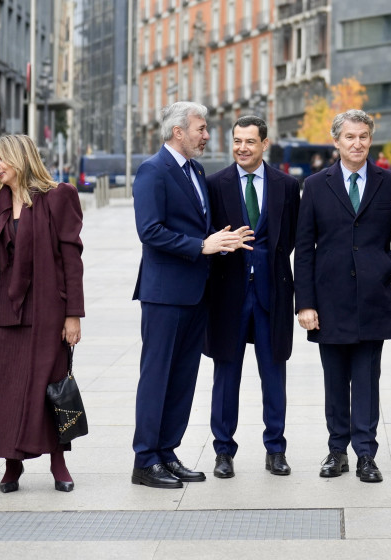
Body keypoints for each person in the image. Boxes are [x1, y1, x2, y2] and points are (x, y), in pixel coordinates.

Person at [131, 101, 253, 490]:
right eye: (200, 128)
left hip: (196, 293)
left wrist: (224, 241)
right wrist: (202, 245)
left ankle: (167, 452)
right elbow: (150, 231)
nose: (206, 135)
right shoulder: (153, 171)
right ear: (177, 131)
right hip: (164, 295)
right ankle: (145, 460)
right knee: (157, 377)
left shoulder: (197, 171)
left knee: (183, 378)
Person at [294, 109, 391, 483]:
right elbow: (305, 247)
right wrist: (306, 303)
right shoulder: (316, 185)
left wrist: (383, 267)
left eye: (364, 136)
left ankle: (366, 454)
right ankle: (336, 451)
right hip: (328, 301)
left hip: (371, 300)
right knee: (335, 381)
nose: (358, 143)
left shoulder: (390, 183)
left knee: (366, 379)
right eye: (350, 137)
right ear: (337, 141)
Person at [0, 134, 85, 494]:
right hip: (2, 311)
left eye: (3, 158)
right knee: (4, 391)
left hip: (48, 309)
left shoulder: (59, 196)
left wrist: (73, 314)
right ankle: (10, 463)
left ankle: (58, 461)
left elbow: (71, 259)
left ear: (22, 158)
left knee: (48, 387)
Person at [205, 116, 300, 478]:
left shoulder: (287, 186)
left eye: (249, 141)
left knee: (274, 374)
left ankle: (275, 449)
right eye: (237, 141)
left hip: (272, 293)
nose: (242, 147)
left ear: (264, 144)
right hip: (228, 294)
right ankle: (223, 452)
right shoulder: (215, 184)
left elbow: (290, 239)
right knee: (226, 376)